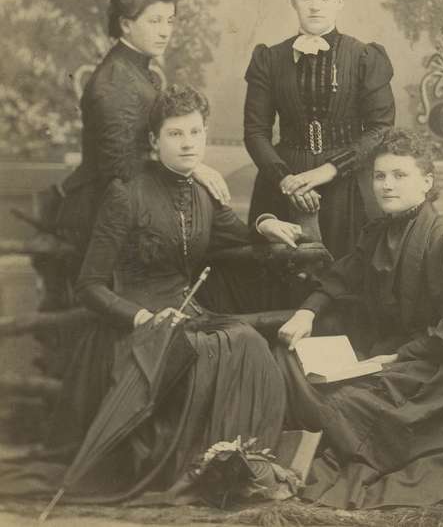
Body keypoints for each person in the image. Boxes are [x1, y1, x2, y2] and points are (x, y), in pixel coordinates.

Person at [2, 85, 298, 503]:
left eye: (195, 132)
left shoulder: (203, 193)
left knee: (246, 343)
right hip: (130, 331)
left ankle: (231, 464)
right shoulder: (126, 195)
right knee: (210, 348)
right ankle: (190, 467)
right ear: (154, 141)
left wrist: (266, 222)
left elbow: (241, 236)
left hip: (188, 313)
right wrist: (141, 318)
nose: (188, 143)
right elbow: (89, 286)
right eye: (175, 134)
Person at [275, 129, 443, 509]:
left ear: (426, 182)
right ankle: (300, 455)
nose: (387, 185)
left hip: (441, 369)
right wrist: (308, 310)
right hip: (394, 355)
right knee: (301, 372)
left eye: (400, 175)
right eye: (380, 176)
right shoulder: (377, 231)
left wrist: (398, 357)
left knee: (346, 402)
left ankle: (312, 459)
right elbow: (341, 277)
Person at [57, 0, 229, 257]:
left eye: (169, 21)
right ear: (125, 24)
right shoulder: (115, 81)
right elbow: (120, 169)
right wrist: (192, 169)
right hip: (106, 215)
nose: (165, 31)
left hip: (130, 202)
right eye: (154, 21)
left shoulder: (135, 70)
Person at [244, 0, 395, 259]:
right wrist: (285, 180)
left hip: (347, 181)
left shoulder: (364, 57)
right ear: (293, 0)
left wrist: (329, 170)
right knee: (286, 278)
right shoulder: (270, 60)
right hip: (284, 182)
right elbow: (255, 131)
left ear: (340, 1)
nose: (315, 6)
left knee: (347, 273)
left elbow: (381, 128)